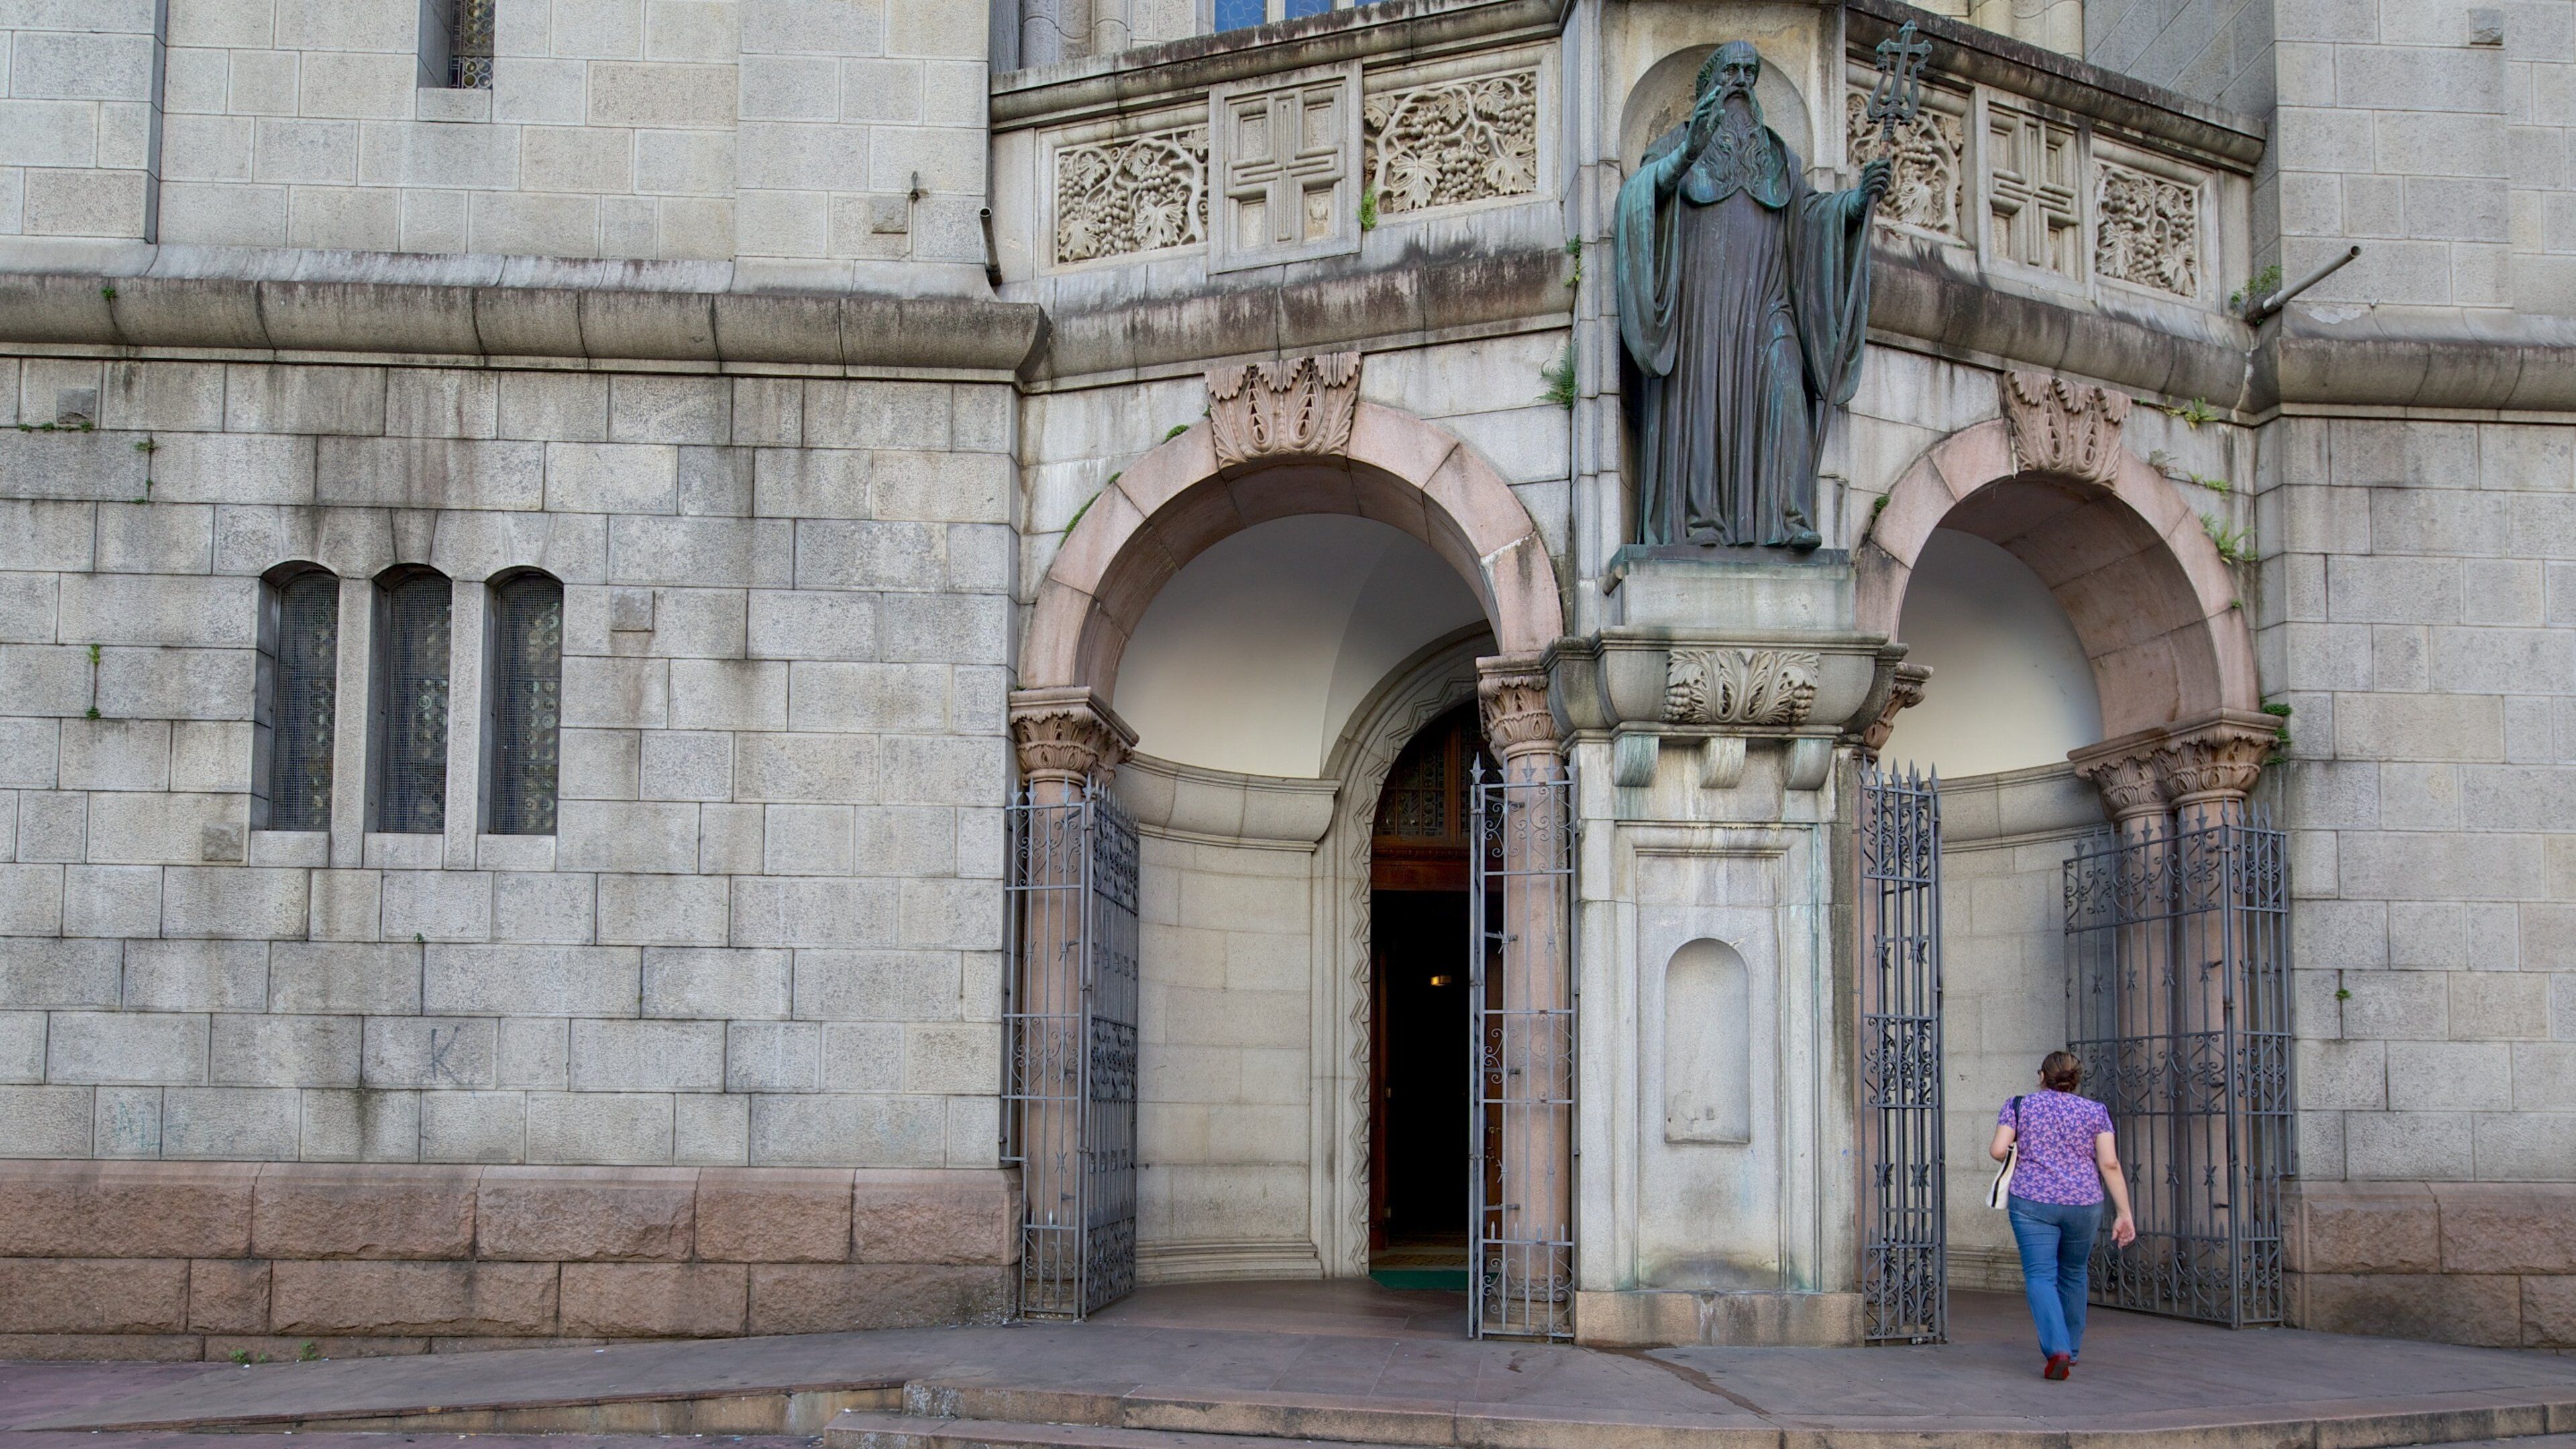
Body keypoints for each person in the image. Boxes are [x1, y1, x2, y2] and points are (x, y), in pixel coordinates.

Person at [1990, 1051, 2135, 1380]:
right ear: (2077, 1079)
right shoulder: (2095, 1111)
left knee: (2041, 1276)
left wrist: (2020, 1149)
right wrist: (2123, 1213)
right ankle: (2073, 1348)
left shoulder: (2019, 1105)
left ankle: (2057, 1348)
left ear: (2042, 1075)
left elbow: (1998, 1150)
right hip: (2084, 1203)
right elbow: (2109, 1163)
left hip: (2032, 1202)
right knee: (2074, 1272)